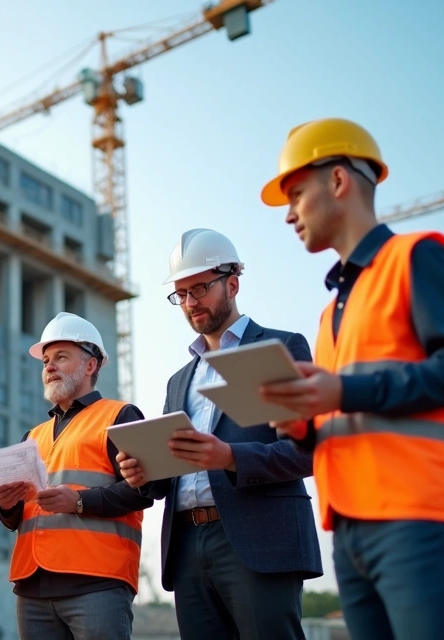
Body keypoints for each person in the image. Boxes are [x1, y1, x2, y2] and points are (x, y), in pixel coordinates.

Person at [257, 117, 444, 640]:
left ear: (339, 181)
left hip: (423, 515)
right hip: (350, 531)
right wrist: (300, 423)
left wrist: (341, 390)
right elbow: (341, 421)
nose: (289, 214)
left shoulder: (417, 257)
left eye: (296, 194)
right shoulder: (328, 315)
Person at [114, 228, 321, 640]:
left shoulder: (281, 347)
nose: (191, 303)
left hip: (258, 539)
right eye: (181, 294)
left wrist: (230, 457)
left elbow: (304, 452)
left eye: (200, 288)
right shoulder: (178, 381)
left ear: (233, 283)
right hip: (188, 546)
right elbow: (171, 470)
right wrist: (143, 473)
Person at [0, 311, 152, 640]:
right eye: (46, 360)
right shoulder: (32, 436)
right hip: (32, 586)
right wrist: (6, 506)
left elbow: (144, 490)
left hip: (97, 582)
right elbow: (16, 517)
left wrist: (79, 501)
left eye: (60, 357)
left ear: (90, 365)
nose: (49, 366)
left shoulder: (120, 416)